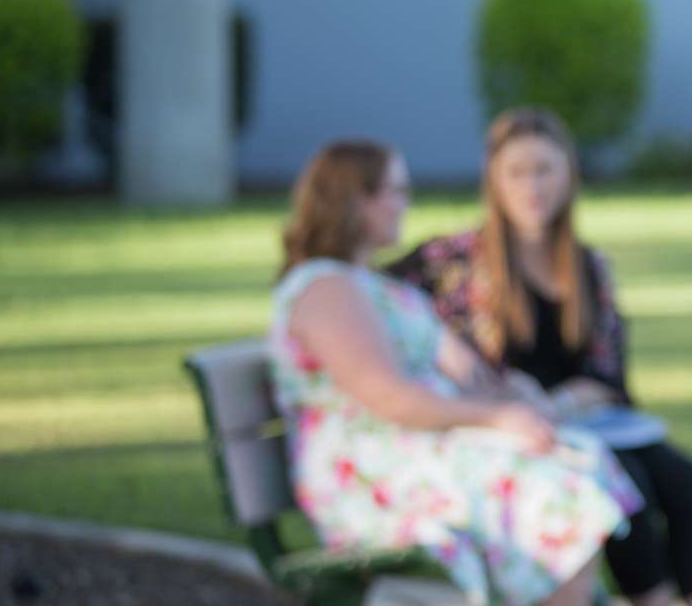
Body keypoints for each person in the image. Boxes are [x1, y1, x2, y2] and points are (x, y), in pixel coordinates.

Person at [270, 139, 643, 606]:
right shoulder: (327, 289)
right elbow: (389, 398)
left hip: (422, 449)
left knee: (577, 455)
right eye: (396, 190)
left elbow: (467, 373)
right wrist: (493, 419)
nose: (405, 202)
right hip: (374, 471)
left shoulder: (382, 288)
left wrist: (513, 395)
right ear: (356, 200)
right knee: (557, 490)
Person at [388, 109, 692, 606]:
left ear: (568, 174)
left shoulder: (586, 266)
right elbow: (375, 302)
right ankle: (652, 598)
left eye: (544, 170)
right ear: (495, 181)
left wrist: (558, 401)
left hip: (583, 416)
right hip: (513, 430)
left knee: (682, 477)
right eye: (517, 173)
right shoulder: (453, 261)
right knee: (624, 484)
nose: (532, 187)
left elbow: (608, 373)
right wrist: (454, 362)